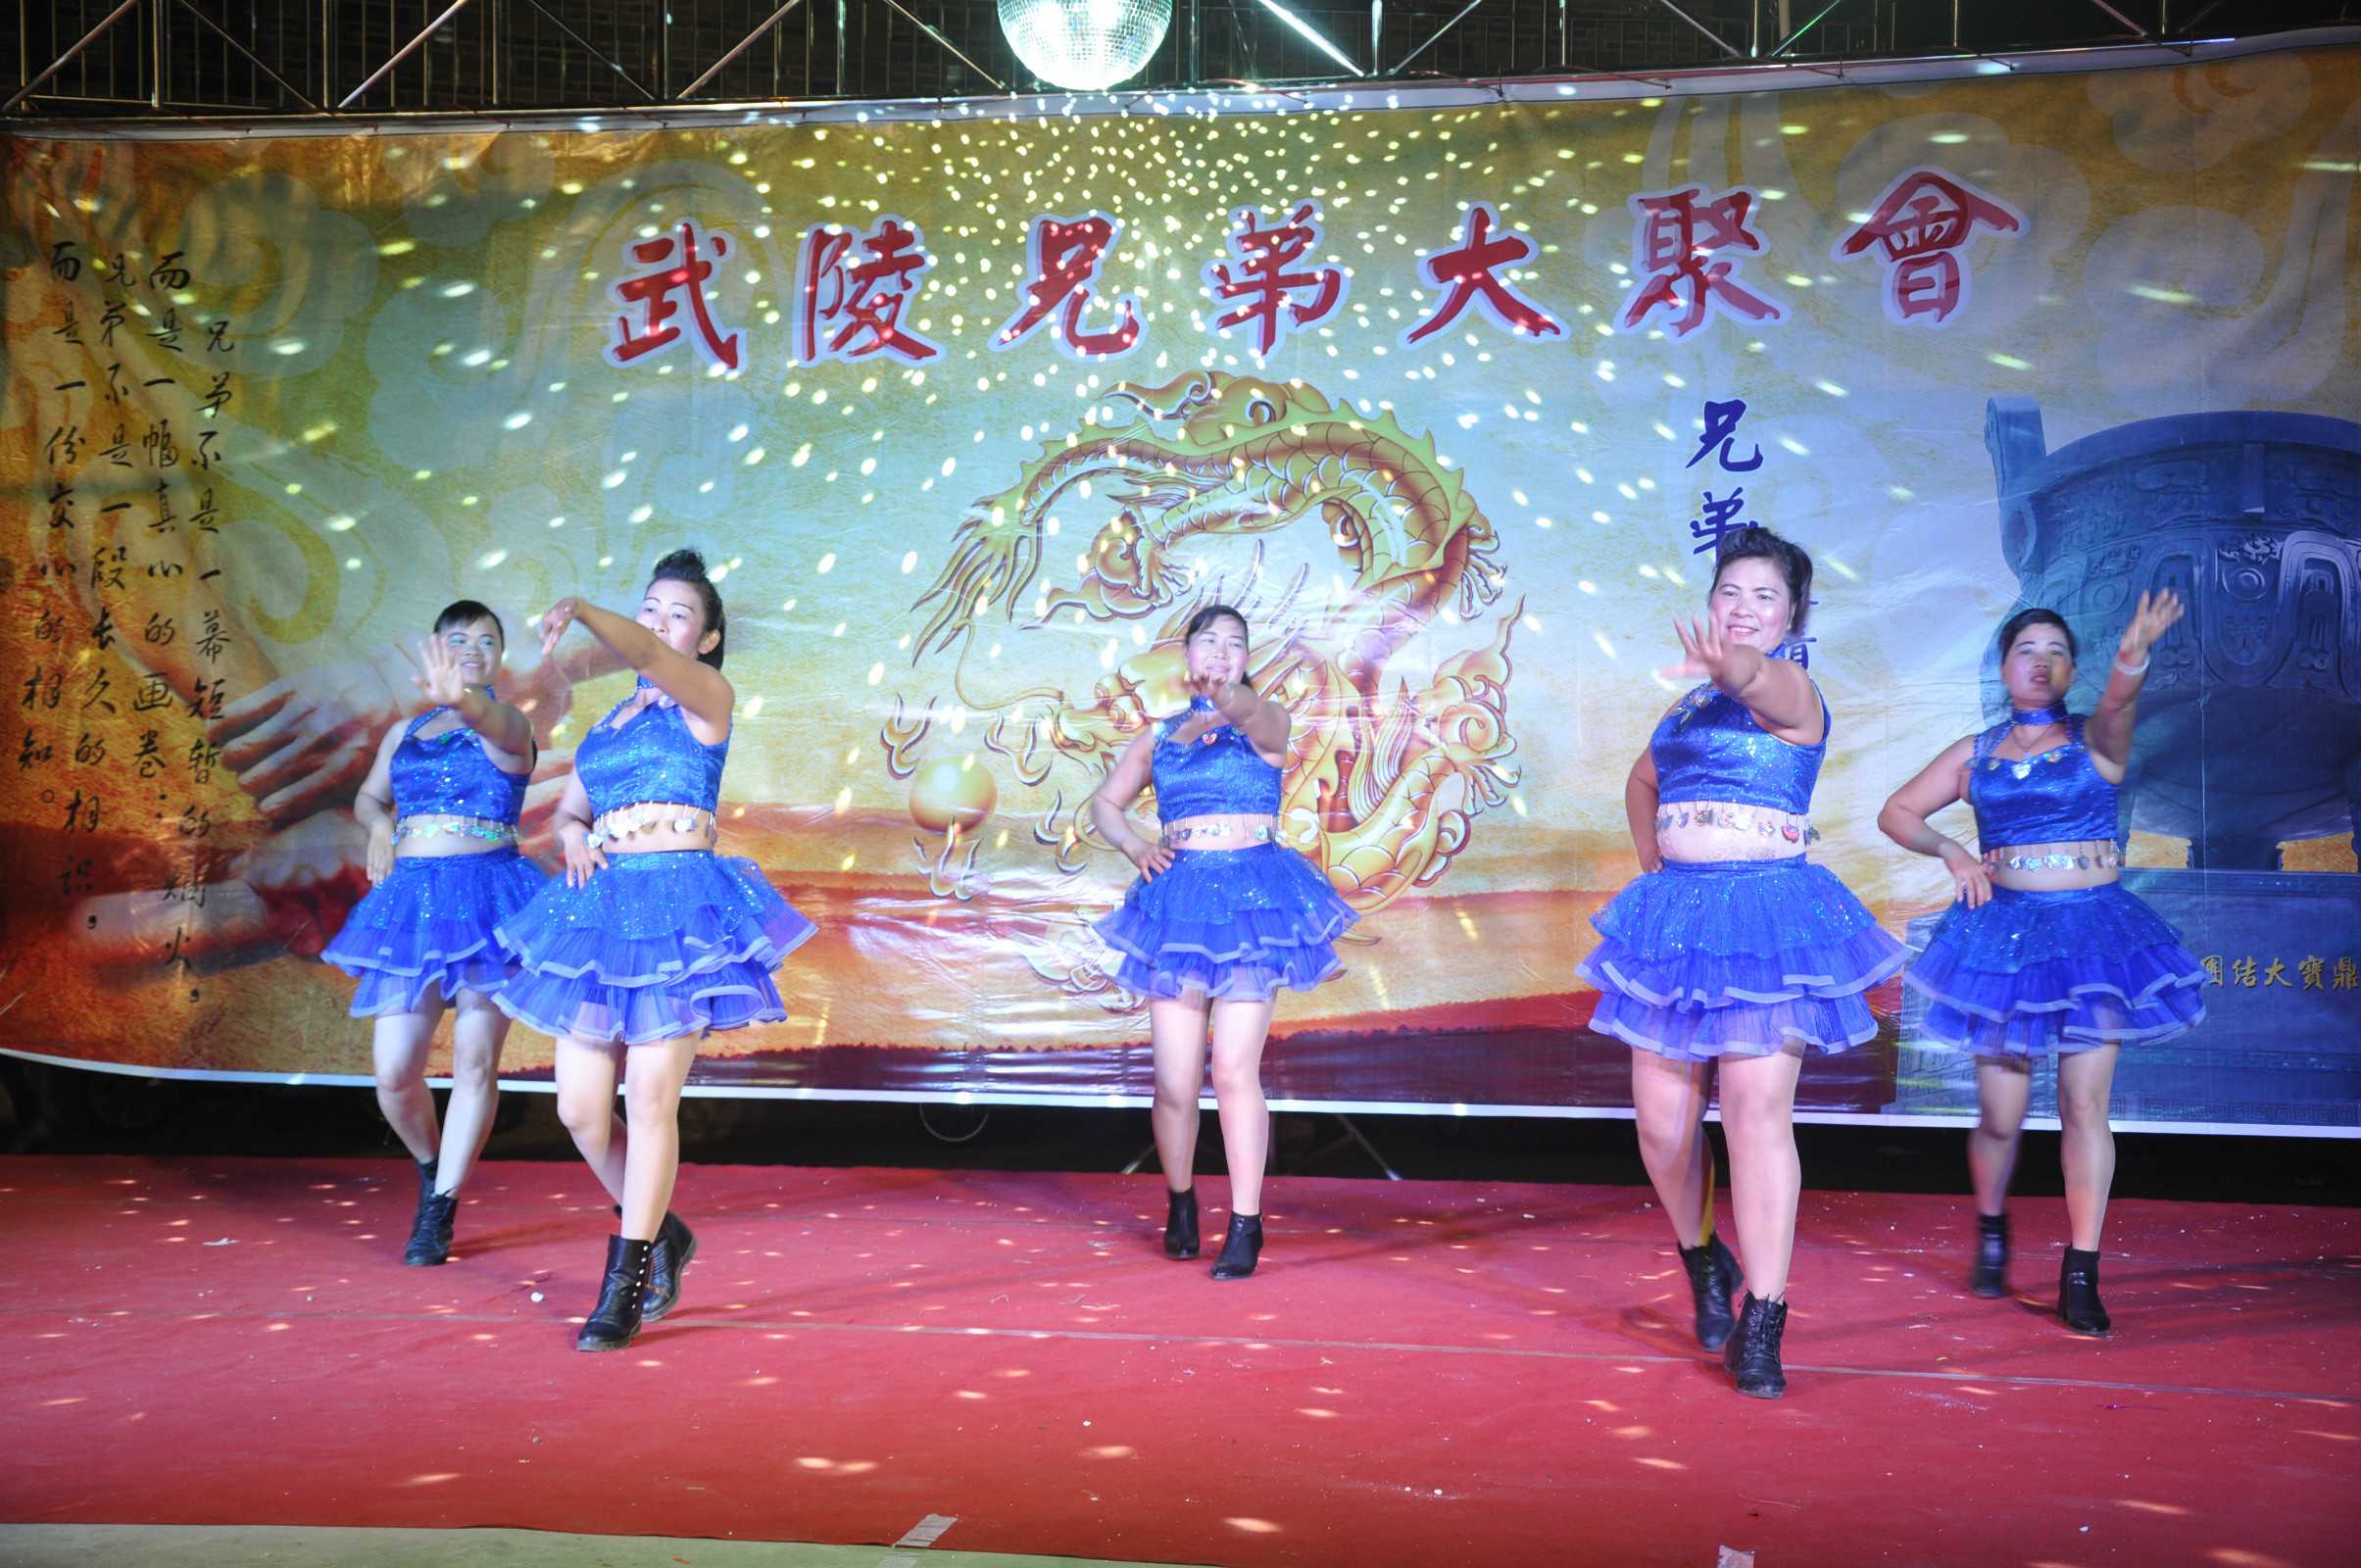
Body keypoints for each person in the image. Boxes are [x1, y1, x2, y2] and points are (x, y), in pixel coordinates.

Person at [1578, 526, 1904, 1398]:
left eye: (1765, 596)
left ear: (1792, 615)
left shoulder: (1794, 692)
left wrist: (1733, 668)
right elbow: (1642, 781)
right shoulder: (1686, 708)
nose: (1744, 608)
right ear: (1710, 601)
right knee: (1661, 1129)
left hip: (1766, 922)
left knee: (1757, 1114)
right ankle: (1701, 1259)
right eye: (1730, 592)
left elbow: (1758, 682)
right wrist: (1651, 858)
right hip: (1677, 922)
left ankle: (1764, 1319)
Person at [496, 550, 814, 1350]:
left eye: (678, 615)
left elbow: (642, 654)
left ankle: (626, 1281)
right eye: (650, 608)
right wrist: (572, 836)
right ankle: (665, 1232)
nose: (659, 624)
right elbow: (571, 812)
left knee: (647, 1097)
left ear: (705, 641)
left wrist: (583, 608)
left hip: (681, 910)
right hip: (602, 912)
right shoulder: (608, 727)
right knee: (577, 1108)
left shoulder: (707, 698)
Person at [1878, 594, 2200, 1336]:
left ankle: (2080, 1268)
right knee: (2001, 1113)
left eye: (2056, 650)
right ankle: (1992, 1225)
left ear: (2072, 669)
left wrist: (2133, 653)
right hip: (2004, 941)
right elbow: (1896, 812)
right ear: (2004, 667)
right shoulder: (1976, 752)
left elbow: (2119, 703)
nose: (2041, 661)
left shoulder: (2096, 742)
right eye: (2027, 648)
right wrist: (1952, 851)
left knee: (2084, 1104)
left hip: (2091, 938)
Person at [1091, 605, 1356, 1280]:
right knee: (1175, 1083)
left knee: (1235, 1070)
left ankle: (1245, 1223)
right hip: (1179, 906)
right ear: (1186, 653)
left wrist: (1227, 695)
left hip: (1251, 906)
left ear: (1244, 659)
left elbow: (1253, 714)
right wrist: (1134, 846)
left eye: (1233, 643)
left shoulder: (1265, 723)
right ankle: (1181, 1202)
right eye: (1207, 640)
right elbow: (1105, 804)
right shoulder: (1159, 737)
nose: (1219, 650)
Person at [321, 601, 542, 1266]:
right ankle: (430, 1165)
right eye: (459, 638)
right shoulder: (406, 732)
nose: (474, 648)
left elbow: (492, 723)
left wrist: (464, 701)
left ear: (500, 656)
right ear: (437, 649)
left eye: (487, 640)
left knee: (474, 1061)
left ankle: (441, 1205)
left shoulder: (509, 726)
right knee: (394, 1074)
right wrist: (380, 826)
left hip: (490, 899)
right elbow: (368, 797)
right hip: (414, 905)